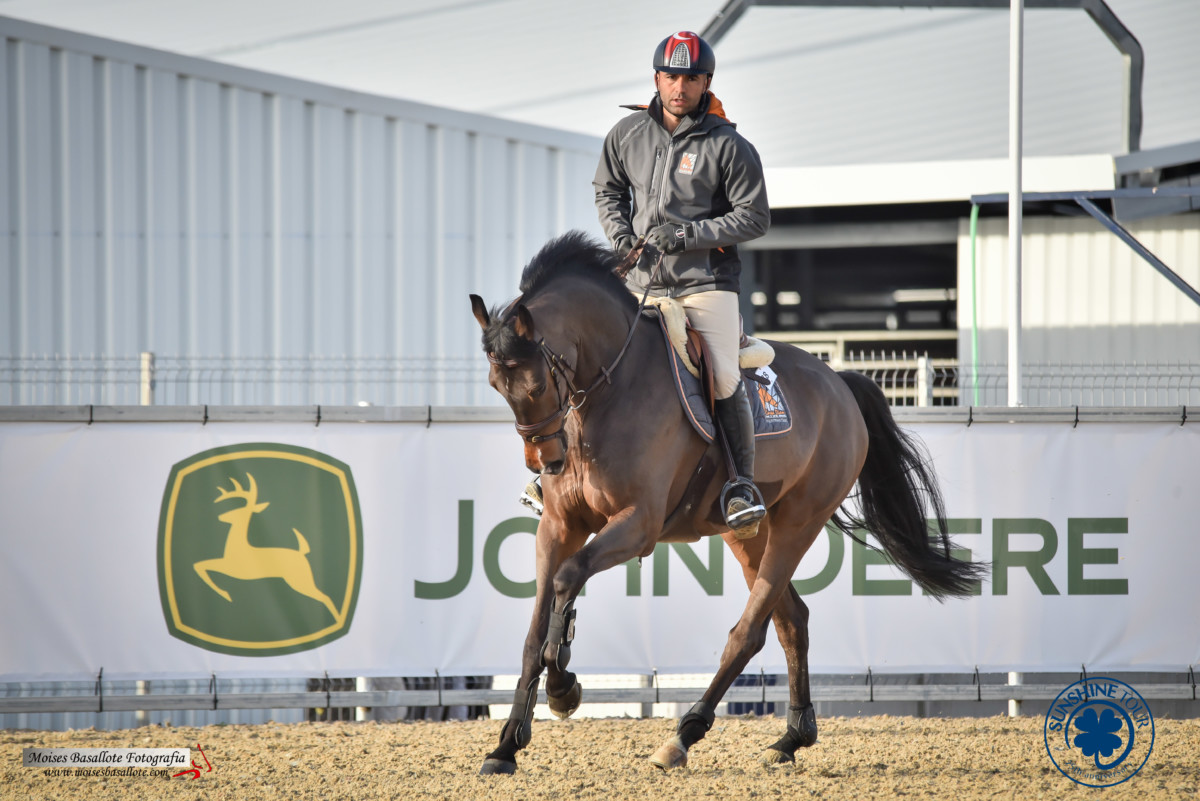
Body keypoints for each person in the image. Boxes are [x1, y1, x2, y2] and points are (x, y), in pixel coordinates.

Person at [522, 30, 770, 537]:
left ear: (707, 83)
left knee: (722, 376)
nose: (680, 86)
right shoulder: (627, 132)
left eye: (692, 78)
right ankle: (558, 473)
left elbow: (754, 217)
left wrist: (685, 235)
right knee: (586, 363)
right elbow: (607, 189)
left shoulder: (729, 144)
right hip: (638, 281)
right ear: (657, 78)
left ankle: (741, 485)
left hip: (705, 282)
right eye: (672, 76)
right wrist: (619, 236)